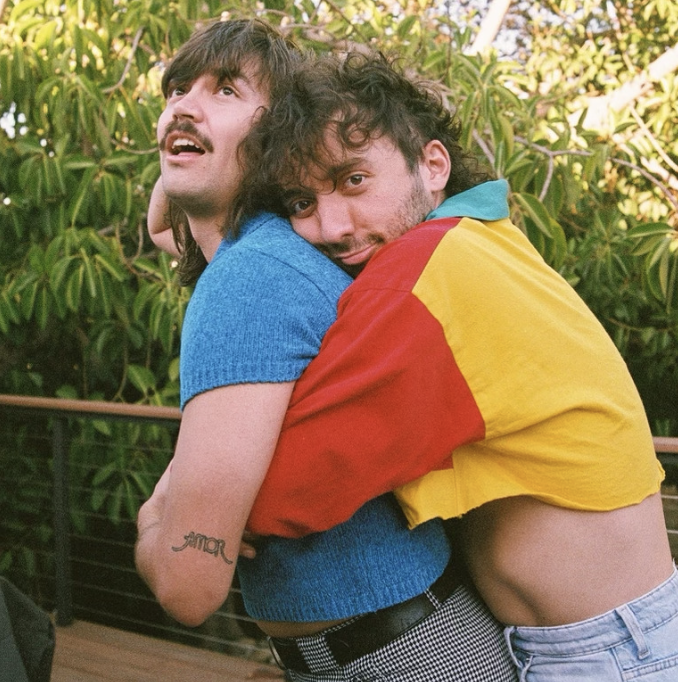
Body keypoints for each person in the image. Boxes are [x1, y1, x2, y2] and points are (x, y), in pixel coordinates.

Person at [236, 52, 678, 681]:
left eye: (354, 179)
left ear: (433, 165)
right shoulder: (479, 238)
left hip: (605, 652)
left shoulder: (428, 269)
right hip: (613, 636)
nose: (331, 227)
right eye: (301, 202)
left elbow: (292, 479)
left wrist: (186, 509)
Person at [135, 18, 517, 682]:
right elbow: (163, 226)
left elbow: (186, 587)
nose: (186, 105)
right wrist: (194, 135)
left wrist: (155, 515)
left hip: (401, 659)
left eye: (226, 89)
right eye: (177, 90)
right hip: (417, 630)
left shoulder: (248, 281)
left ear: (277, 136)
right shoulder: (282, 252)